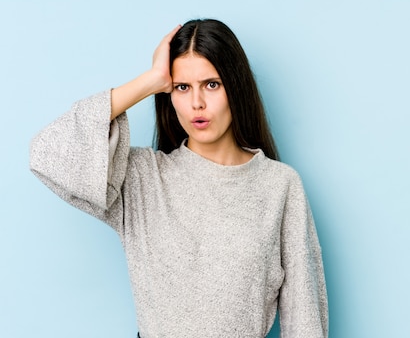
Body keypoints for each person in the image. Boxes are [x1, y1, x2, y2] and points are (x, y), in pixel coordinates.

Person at [29, 19, 328, 337]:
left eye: (211, 84)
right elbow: (47, 154)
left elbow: (305, 320)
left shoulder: (279, 185)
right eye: (182, 87)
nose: (197, 103)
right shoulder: (141, 179)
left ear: (235, 87)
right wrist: (151, 80)